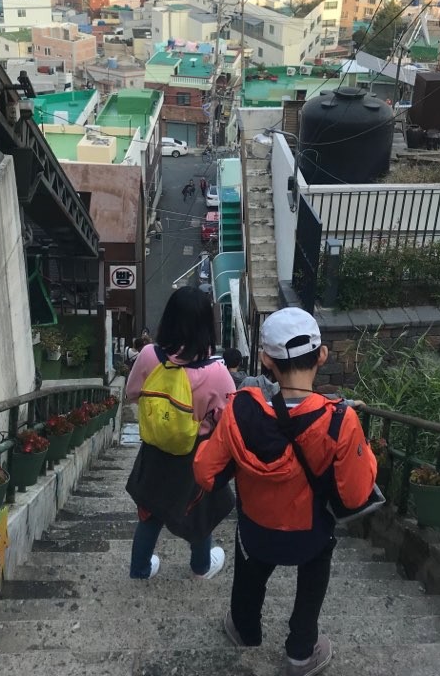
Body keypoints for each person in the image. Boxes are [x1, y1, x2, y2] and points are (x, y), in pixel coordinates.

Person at [194, 307, 377, 676]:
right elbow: (356, 495)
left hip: (256, 531)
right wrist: (364, 450)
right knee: (316, 569)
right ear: (322, 355)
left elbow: (205, 472)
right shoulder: (340, 419)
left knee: (250, 569)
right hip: (310, 535)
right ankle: (300, 652)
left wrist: (205, 438)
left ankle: (245, 629)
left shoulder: (241, 407)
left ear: (266, 360)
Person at [125, 287, 235, 580]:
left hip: (155, 447)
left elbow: (132, 393)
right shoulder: (217, 373)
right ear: (206, 325)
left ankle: (140, 569)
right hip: (195, 453)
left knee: (150, 510)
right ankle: (201, 566)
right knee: (199, 510)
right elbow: (229, 419)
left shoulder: (149, 355)